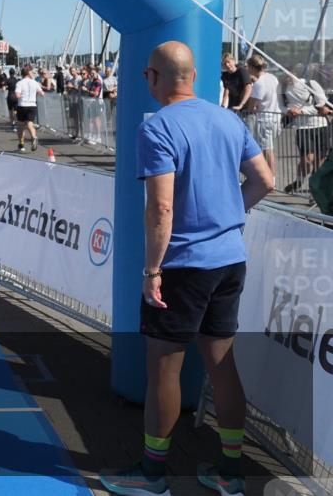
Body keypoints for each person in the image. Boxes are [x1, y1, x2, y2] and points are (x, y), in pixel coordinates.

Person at [99, 41, 273, 496]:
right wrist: (229, 217)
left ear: (154, 77)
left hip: (182, 265)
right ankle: (230, 471)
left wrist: (151, 271)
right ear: (193, 77)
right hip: (229, 258)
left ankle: (153, 474)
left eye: (145, 76)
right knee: (221, 364)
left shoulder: (157, 128)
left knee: (164, 370)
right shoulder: (229, 120)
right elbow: (266, 180)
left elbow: (160, 209)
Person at [281, 71, 332, 193]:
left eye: (290, 75)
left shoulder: (310, 83)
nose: (288, 78)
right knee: (307, 159)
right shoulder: (282, 87)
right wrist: (289, 110)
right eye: (285, 75)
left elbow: (321, 103)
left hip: (320, 125)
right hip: (302, 127)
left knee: (319, 161)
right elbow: (280, 106)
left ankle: (315, 191)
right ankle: (299, 180)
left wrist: (302, 111)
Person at [244, 54, 282, 176]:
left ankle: (272, 178)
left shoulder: (259, 83)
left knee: (267, 150)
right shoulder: (272, 78)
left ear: (252, 67)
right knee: (268, 149)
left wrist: (250, 108)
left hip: (264, 119)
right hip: (276, 116)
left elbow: (252, 105)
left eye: (248, 67)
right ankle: (271, 177)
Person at [15, 65, 44, 152]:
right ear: (28, 73)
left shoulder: (19, 83)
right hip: (32, 105)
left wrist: (21, 96)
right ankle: (34, 137)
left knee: (20, 125)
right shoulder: (35, 82)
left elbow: (17, 95)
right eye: (31, 72)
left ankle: (21, 143)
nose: (33, 73)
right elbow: (42, 93)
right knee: (29, 123)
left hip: (22, 105)